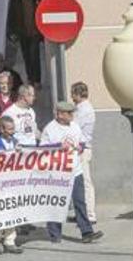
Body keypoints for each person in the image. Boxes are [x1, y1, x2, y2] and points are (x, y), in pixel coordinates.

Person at [42, 101, 103, 244]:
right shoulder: (50, 129)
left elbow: (81, 141)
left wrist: (81, 147)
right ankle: (54, 233)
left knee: (80, 202)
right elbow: (43, 149)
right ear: (60, 114)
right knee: (57, 203)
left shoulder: (74, 126)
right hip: (58, 173)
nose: (72, 116)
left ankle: (87, 232)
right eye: (69, 113)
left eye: (72, 113)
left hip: (75, 171)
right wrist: (57, 146)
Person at [0, 117, 24, 254]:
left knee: (12, 210)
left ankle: (10, 240)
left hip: (12, 182)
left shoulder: (15, 142)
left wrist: (20, 152)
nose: (12, 132)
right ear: (1, 129)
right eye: (9, 129)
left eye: (13, 129)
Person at [71, 81, 97, 223]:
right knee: (78, 183)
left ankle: (90, 214)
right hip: (79, 148)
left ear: (78, 94)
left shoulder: (84, 109)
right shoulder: (80, 108)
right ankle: (81, 212)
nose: (72, 97)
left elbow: (75, 127)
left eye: (73, 93)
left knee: (85, 182)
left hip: (82, 149)